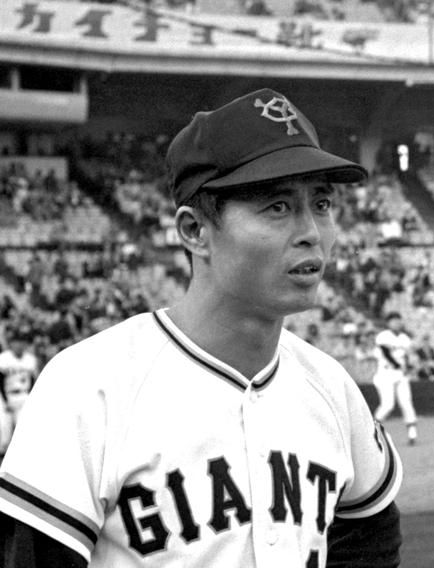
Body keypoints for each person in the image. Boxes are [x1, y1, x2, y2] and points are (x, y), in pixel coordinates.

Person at [0, 88, 403, 568]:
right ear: (194, 231)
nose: (311, 231)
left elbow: (370, 540)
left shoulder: (332, 388)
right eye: (277, 206)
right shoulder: (88, 386)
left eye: (321, 203)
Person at [373, 312, 418, 445]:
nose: (396, 323)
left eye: (398, 320)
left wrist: (409, 366)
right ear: (388, 323)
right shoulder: (383, 336)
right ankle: (371, 430)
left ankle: (412, 433)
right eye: (393, 320)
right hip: (385, 373)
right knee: (388, 405)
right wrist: (399, 365)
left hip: (400, 374)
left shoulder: (405, 338)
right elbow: (387, 354)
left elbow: (407, 356)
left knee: (406, 402)